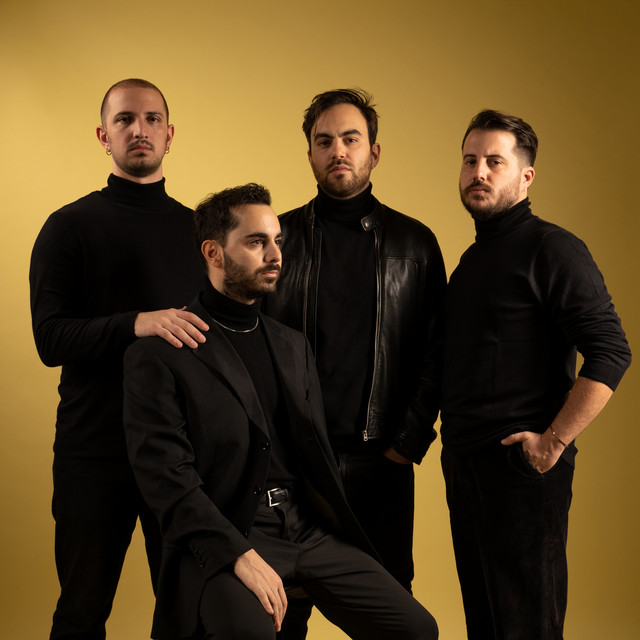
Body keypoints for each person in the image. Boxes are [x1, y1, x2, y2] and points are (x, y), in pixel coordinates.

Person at [122, 183, 439, 640]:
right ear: (213, 252)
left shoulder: (292, 346)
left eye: (278, 241)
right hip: (231, 530)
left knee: (417, 629)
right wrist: (238, 554)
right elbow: (166, 480)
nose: (275, 255)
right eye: (256, 242)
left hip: (306, 528)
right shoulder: (159, 353)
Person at [440, 109, 632, 639]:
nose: (478, 172)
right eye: (470, 160)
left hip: (521, 469)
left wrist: (552, 444)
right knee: (486, 625)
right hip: (466, 467)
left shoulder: (553, 248)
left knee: (527, 627)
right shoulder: (471, 262)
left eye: (494, 162)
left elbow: (611, 351)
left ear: (526, 176)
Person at [29, 78, 209, 640]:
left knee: (184, 617)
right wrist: (137, 323)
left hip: (177, 455)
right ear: (103, 136)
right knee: (81, 613)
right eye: (125, 119)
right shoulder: (68, 226)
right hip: (92, 452)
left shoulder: (199, 232)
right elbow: (50, 338)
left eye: (152, 119)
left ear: (170, 135)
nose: (140, 130)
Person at [263, 89, 446, 634]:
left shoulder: (415, 244)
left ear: (374, 152)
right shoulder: (277, 240)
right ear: (310, 155)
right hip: (295, 465)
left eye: (351, 139)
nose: (338, 151)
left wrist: (404, 446)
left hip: (379, 464)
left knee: (392, 617)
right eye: (324, 142)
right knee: (281, 612)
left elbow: (436, 353)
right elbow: (250, 345)